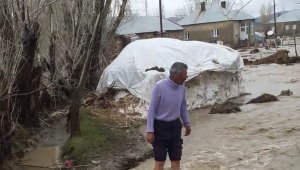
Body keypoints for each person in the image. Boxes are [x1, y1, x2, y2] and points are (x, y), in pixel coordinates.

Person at [146, 62, 191, 170]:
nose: (186, 77)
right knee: (160, 162)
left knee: (176, 161)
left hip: (175, 126)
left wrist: (187, 123)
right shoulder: (159, 87)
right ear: (176, 75)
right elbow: (151, 110)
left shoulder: (181, 86)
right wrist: (150, 130)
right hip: (160, 128)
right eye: (185, 75)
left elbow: (182, 106)